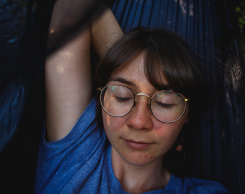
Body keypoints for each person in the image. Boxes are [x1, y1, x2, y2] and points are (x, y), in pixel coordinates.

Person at [35, 2, 230, 194]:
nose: (138, 122)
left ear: (187, 112)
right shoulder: (76, 154)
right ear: (104, 97)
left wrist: (132, 67)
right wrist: (126, 61)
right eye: (121, 96)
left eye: (164, 103)